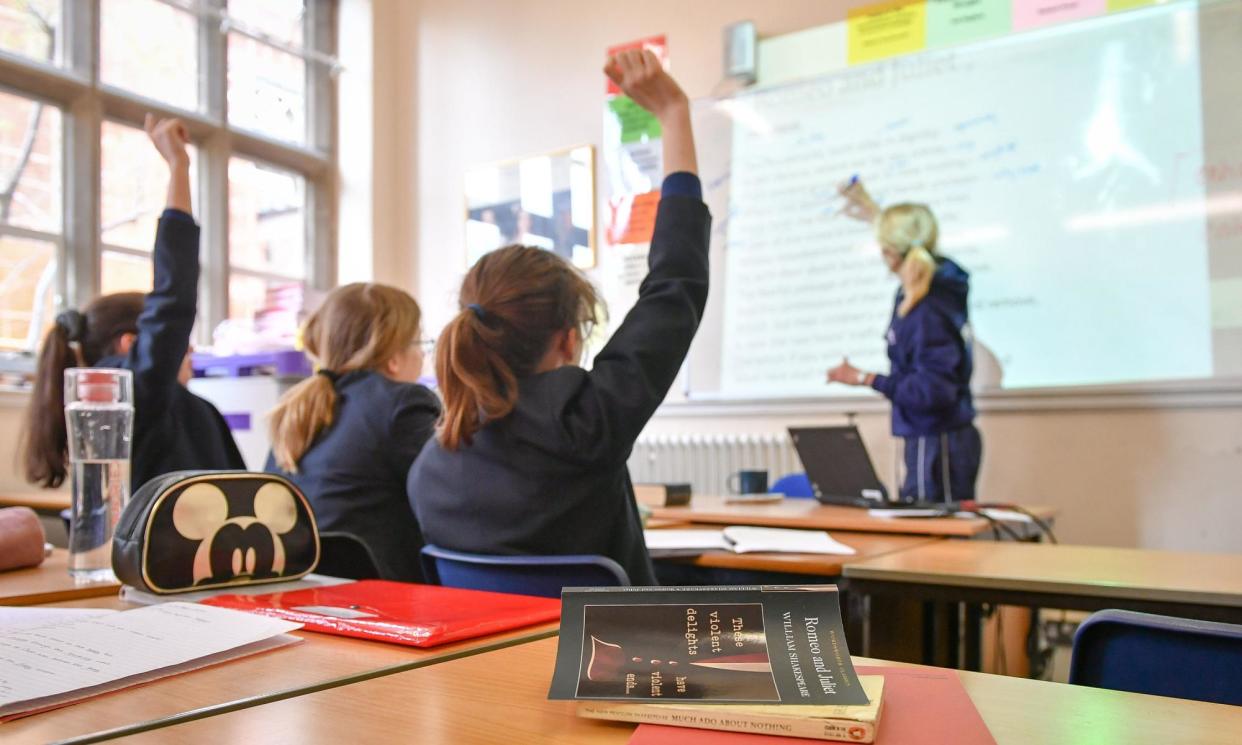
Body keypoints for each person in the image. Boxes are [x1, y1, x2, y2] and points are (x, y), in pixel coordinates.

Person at [408, 49, 708, 586]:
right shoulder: (587, 423)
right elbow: (676, 284)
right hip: (616, 668)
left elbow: (673, 286)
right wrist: (673, 114)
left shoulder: (430, 467)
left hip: (484, 672)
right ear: (567, 341)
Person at [22, 115, 244, 492]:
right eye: (177, 340)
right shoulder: (124, 397)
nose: (187, 348)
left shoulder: (190, 408)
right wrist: (179, 167)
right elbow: (173, 300)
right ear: (129, 344)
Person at [265, 283, 439, 582]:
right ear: (394, 358)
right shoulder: (404, 402)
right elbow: (442, 503)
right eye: (420, 344)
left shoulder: (296, 410)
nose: (422, 356)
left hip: (304, 589)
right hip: (384, 596)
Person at [827, 180, 981, 503]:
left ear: (890, 251)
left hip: (937, 441)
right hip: (930, 437)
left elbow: (932, 390)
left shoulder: (927, 308)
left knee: (933, 542)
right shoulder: (931, 289)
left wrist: (865, 378)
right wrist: (870, 208)